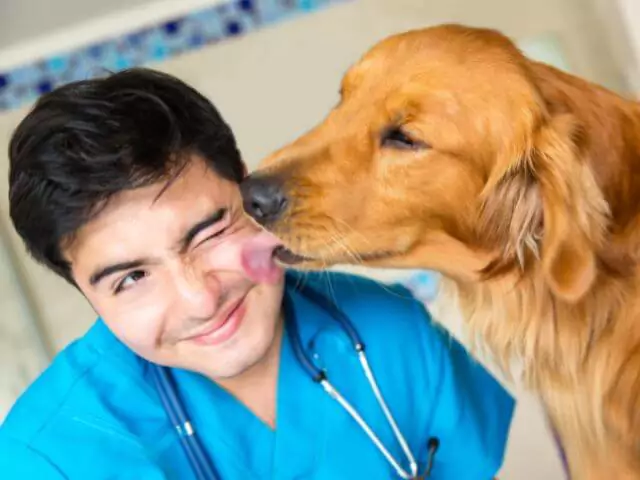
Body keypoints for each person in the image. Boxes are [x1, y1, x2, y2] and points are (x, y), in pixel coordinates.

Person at [0, 68, 515, 479]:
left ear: (247, 188)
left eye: (208, 233)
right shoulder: (47, 457)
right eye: (131, 278)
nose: (201, 299)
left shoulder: (389, 329)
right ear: (84, 291)